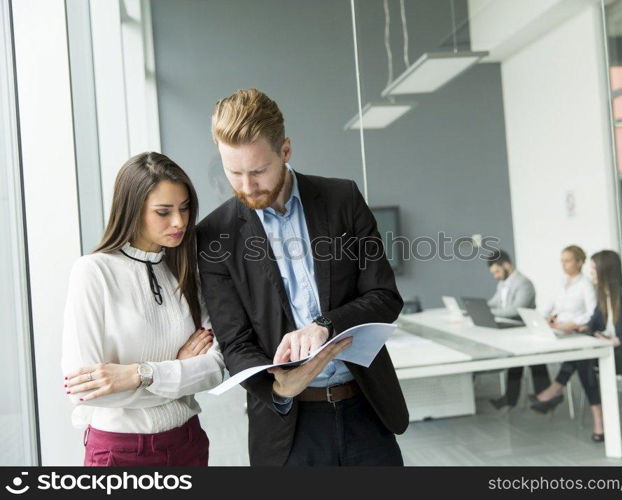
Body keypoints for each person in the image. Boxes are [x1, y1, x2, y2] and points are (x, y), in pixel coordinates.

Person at [197, 89, 409, 466]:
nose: (247, 186)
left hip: (366, 410)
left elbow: (384, 296)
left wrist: (324, 325)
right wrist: (280, 385)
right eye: (234, 172)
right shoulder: (215, 235)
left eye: (258, 171)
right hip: (288, 429)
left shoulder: (342, 199)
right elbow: (235, 341)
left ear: (286, 151)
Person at [62, 152, 225, 466]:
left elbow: (215, 368)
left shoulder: (183, 271)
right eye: (163, 212)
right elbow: (82, 390)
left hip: (187, 442)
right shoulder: (94, 272)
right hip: (120, 453)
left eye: (184, 208)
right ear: (133, 211)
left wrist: (140, 374)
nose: (179, 222)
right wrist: (178, 370)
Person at [531, 250, 622, 442]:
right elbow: (594, 321)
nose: (591, 273)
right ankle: (595, 419)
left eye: (593, 269)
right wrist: (576, 327)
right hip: (614, 349)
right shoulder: (604, 293)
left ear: (605, 270)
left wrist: (619, 341)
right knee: (583, 358)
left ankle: (562, 393)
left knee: (583, 360)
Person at [485, 250, 551, 410]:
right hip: (511, 330)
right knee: (515, 363)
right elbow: (494, 302)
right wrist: (480, 308)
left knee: (534, 363)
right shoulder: (503, 283)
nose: (495, 276)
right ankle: (512, 399)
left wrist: (490, 313)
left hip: (525, 329)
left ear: (506, 265)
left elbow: (515, 310)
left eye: (497, 271)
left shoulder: (524, 284)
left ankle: (544, 398)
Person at [541, 245, 596, 333]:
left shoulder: (586, 284)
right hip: (557, 327)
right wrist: (546, 317)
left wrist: (573, 323)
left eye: (567, 261)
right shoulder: (561, 282)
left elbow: (592, 313)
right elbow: (548, 306)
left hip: (575, 330)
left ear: (579, 262)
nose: (563, 264)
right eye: (562, 261)